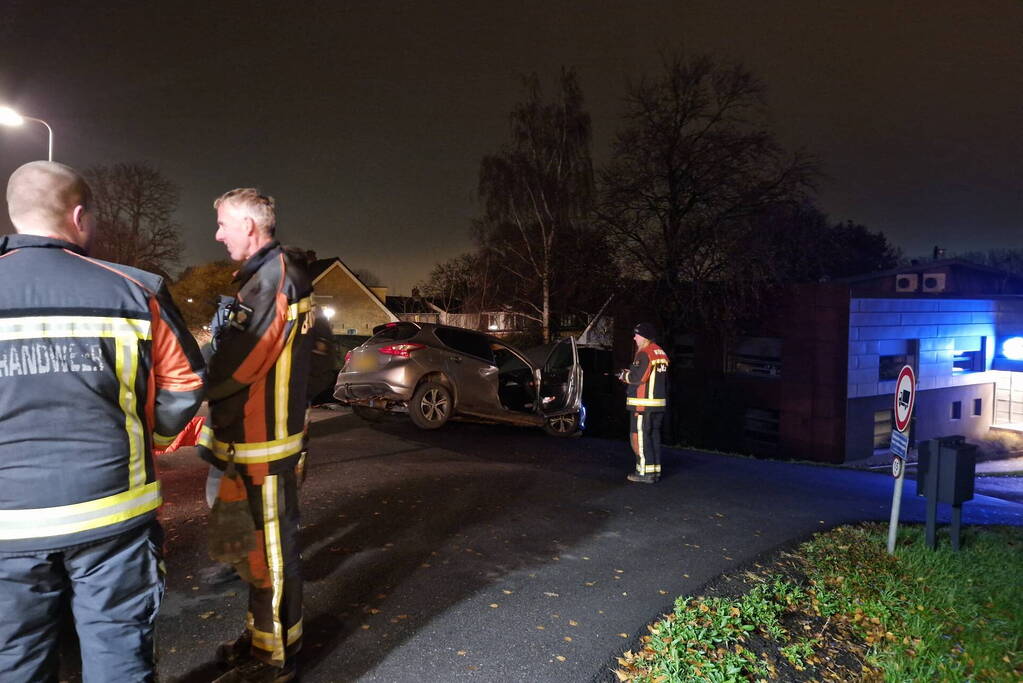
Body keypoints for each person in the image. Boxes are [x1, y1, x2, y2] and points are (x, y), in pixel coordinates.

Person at [0, 161, 205, 681]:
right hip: (112, 514)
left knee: (15, 659)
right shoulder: (136, 291)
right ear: (79, 216)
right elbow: (184, 385)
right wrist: (151, 439)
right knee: (118, 652)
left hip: (7, 526)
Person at [198, 188, 315, 683]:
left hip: (265, 446)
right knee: (255, 552)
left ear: (249, 225)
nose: (219, 234)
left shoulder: (274, 280)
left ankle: (278, 657)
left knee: (272, 553)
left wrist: (190, 384)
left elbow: (241, 361)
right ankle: (262, 636)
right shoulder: (264, 276)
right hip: (250, 442)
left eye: (224, 224)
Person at [621, 322, 669, 483]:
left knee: (641, 437)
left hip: (643, 404)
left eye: (636, 335)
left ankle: (644, 473)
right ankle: (654, 470)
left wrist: (624, 376)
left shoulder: (644, 353)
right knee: (653, 436)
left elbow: (638, 378)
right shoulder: (660, 352)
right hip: (658, 404)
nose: (634, 338)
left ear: (644, 337)